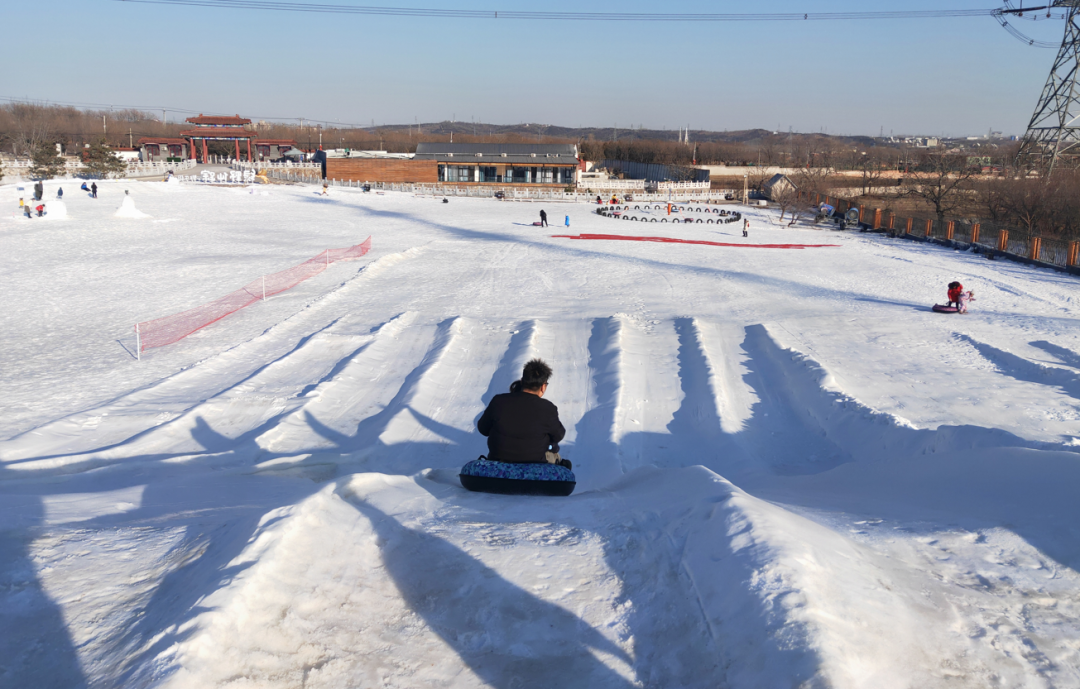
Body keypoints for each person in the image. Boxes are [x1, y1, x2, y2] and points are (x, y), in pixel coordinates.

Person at [477, 358, 570, 469]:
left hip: (499, 461)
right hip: (536, 464)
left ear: (522, 381)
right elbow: (558, 435)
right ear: (543, 386)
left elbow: (483, 429)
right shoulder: (548, 408)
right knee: (555, 453)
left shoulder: (498, 401)